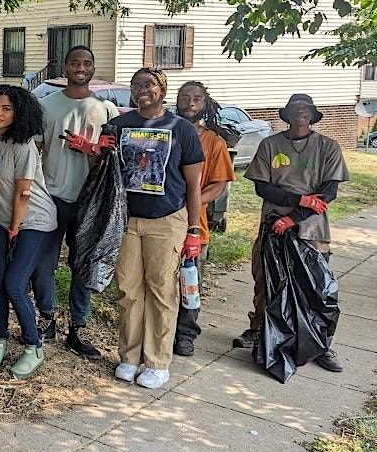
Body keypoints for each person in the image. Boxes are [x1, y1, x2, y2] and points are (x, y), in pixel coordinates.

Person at [232, 93, 350, 371]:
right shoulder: (270, 145)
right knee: (266, 282)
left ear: (312, 114)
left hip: (312, 229)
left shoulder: (328, 147)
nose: (301, 113)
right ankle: (260, 331)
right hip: (272, 225)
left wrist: (295, 218)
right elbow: (262, 186)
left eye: (306, 109)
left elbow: (328, 192)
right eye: (295, 109)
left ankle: (319, 343)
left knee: (314, 287)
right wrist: (296, 201)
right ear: (286, 114)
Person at [109, 68, 204, 390]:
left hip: (167, 220)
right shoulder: (120, 125)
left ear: (162, 90)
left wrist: (194, 229)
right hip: (126, 220)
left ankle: (157, 361)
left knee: (162, 290)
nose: (142, 90)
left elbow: (194, 185)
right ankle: (129, 356)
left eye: (149, 84)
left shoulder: (182, 129)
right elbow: (106, 169)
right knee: (128, 290)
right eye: (136, 85)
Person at [30, 45, 118, 359]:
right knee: (43, 265)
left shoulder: (107, 109)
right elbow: (34, 154)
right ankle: (47, 318)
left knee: (83, 265)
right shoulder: (45, 106)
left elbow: (113, 163)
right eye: (74, 62)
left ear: (93, 68)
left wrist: (92, 149)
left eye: (87, 63)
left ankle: (78, 328)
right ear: (65, 67)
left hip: (89, 202)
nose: (80, 67)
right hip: (51, 197)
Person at [0, 85, 57, 379]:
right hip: (5, 222)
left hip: (33, 221)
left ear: (20, 113)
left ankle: (33, 346)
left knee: (14, 283)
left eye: (7, 108)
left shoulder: (23, 145)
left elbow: (23, 193)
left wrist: (14, 227)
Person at [173, 81, 235, 357]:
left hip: (194, 226)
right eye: (185, 97)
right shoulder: (164, 132)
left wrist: (191, 203)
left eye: (197, 98)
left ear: (205, 103)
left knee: (190, 282)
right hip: (159, 223)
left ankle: (185, 334)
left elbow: (219, 184)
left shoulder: (214, 142)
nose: (190, 103)